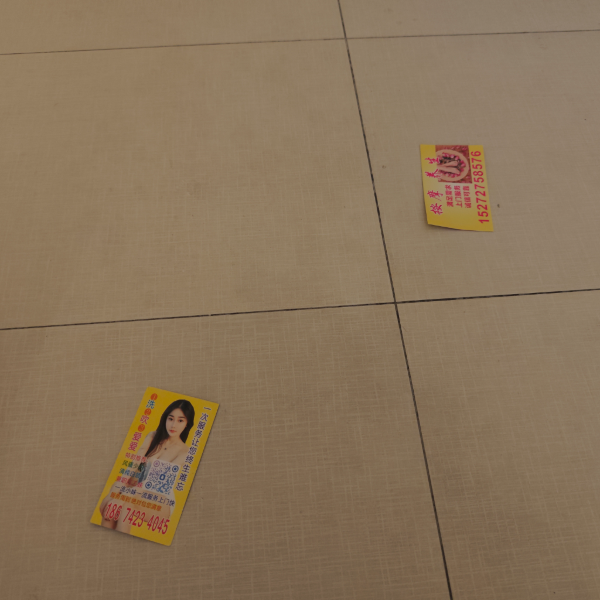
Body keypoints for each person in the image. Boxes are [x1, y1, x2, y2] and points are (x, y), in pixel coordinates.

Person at [99, 399, 195, 533]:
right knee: (112, 500)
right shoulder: (153, 436)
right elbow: (135, 462)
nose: (173, 425)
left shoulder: (185, 452)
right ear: (165, 419)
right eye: (171, 419)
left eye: (180, 420)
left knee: (126, 505)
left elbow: (156, 481)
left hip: (161, 498)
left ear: (187, 424)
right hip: (136, 489)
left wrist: (123, 496)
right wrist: (117, 490)